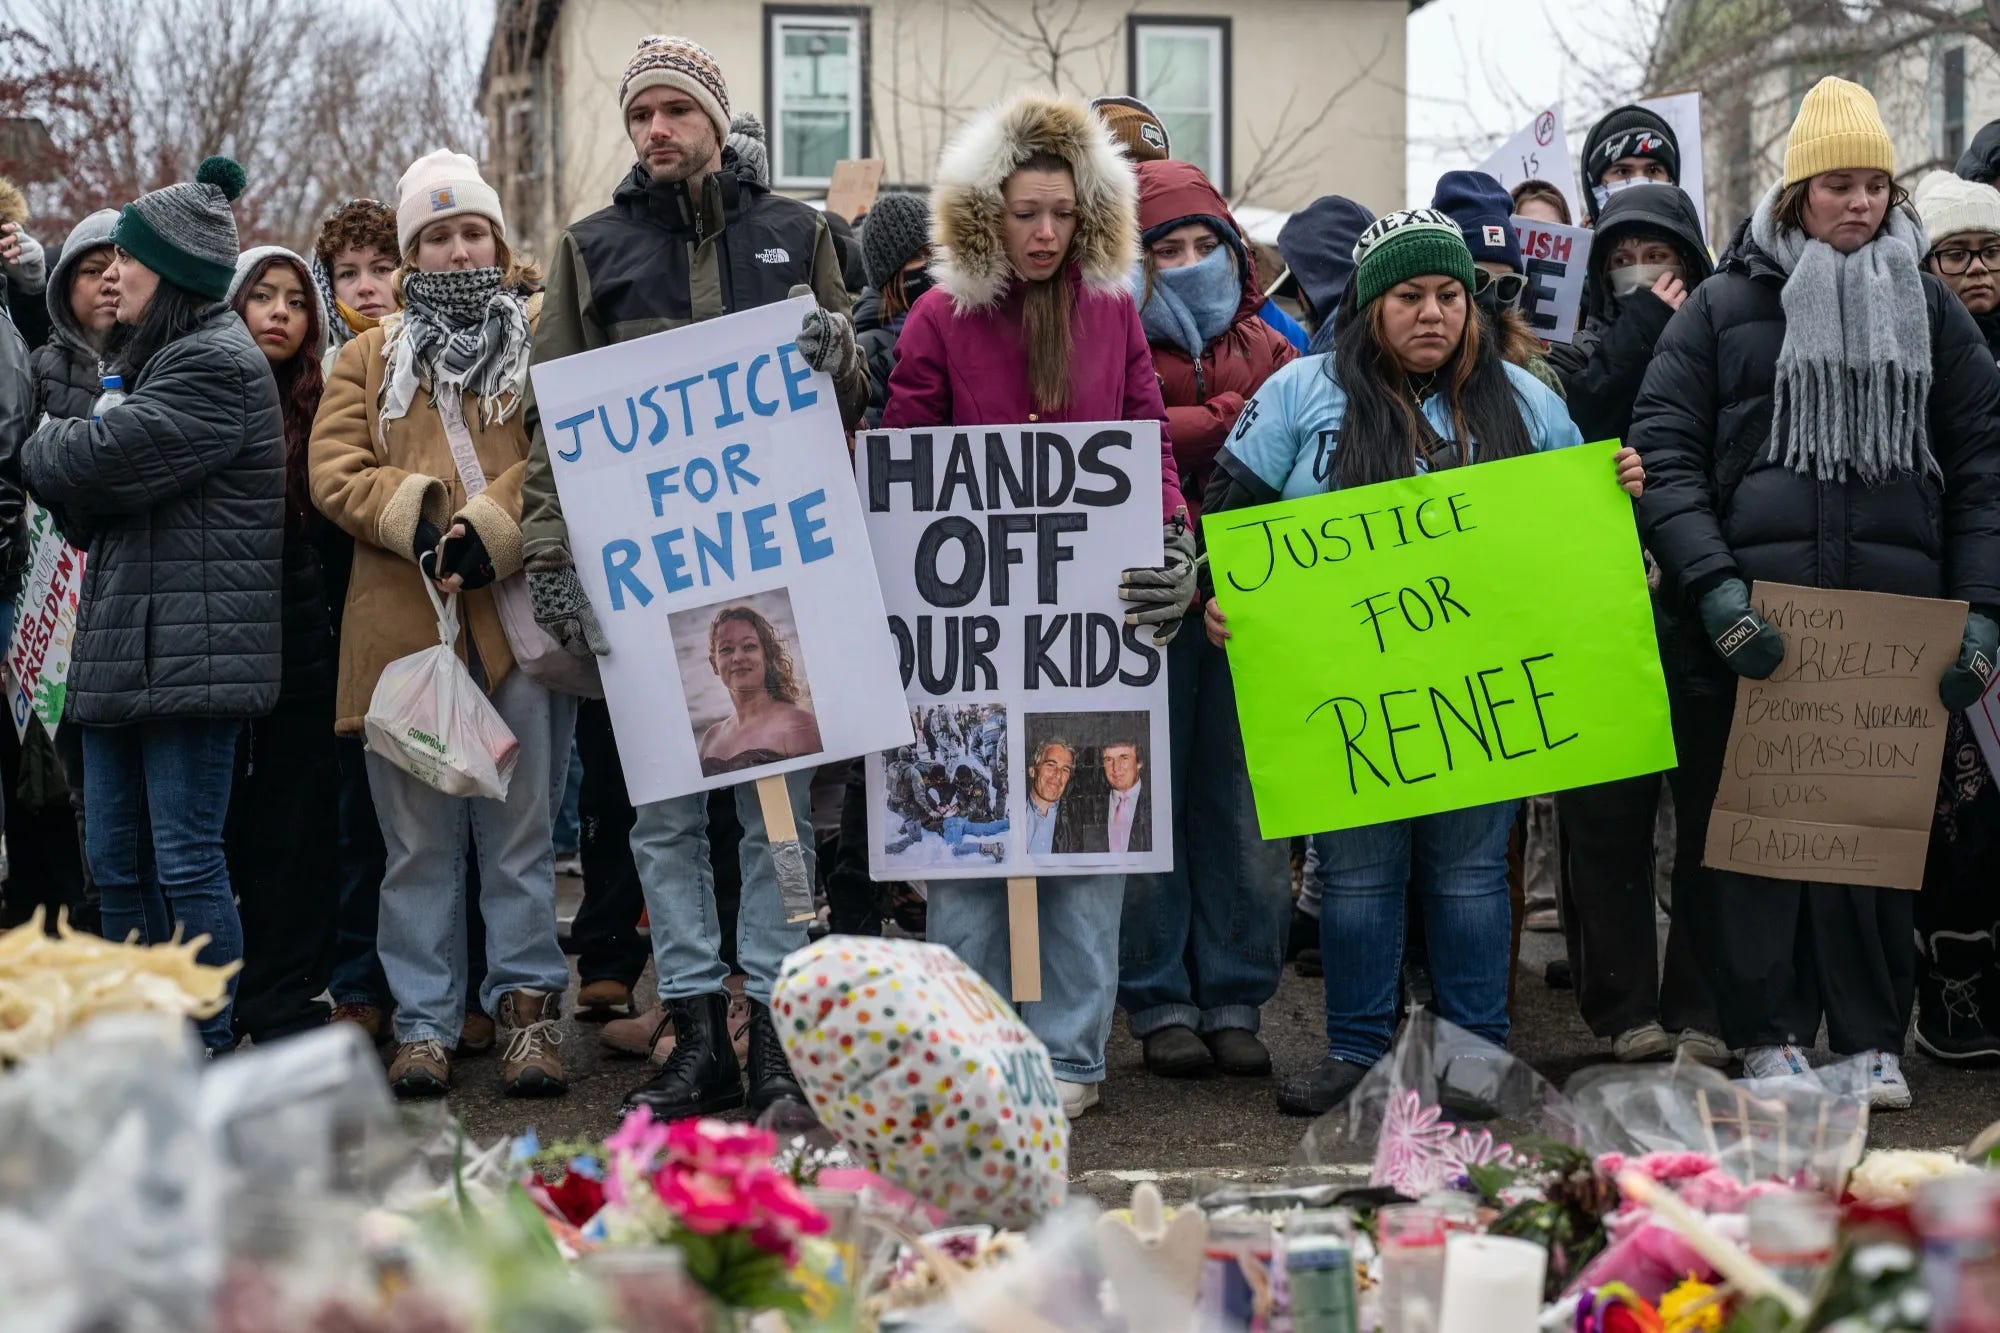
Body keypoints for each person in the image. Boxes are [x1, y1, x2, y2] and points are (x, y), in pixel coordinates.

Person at [1201, 207, 1643, 1116]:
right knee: (1358, 876)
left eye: (1450, 295)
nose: (1433, 312)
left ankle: (1477, 1056)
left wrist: (1616, 487)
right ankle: (1360, 1053)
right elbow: (1229, 511)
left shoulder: (1526, 400)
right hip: (1346, 697)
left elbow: (1578, 522)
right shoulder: (1297, 393)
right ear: (1370, 306)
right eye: (1410, 296)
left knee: (1471, 875)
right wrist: (1220, 592)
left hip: (1483, 698)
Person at [517, 35, 866, 1120]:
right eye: (639, 116)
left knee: (780, 814)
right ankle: (692, 1031)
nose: (655, 131)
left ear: (716, 118)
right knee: (662, 817)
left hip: (778, 568)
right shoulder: (590, 249)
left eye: (673, 110)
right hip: (648, 575)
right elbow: (550, 414)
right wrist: (546, 552)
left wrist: (839, 350)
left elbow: (852, 393)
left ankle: (771, 1030)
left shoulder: (798, 234)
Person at [1632, 77, 2000, 1109]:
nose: (1857, 203)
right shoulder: (1721, 306)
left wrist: (1980, 607)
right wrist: (1711, 588)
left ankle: (1870, 1039)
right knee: (1759, 846)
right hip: (1760, 623)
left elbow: (1981, 463)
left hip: (1890, 629)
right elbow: (1661, 452)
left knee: (1872, 847)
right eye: (1835, 184)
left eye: (1873, 185)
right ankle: (1769, 1038)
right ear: (1795, 194)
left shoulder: (1929, 309)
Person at [883, 88, 1195, 1119]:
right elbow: (904, 452)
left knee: (1084, 841)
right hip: (968, 634)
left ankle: (1069, 1055)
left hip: (1083, 627)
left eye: (1063, 212)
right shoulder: (938, 316)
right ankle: (966, 1050)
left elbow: (1142, 430)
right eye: (1025, 213)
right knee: (962, 848)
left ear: (1089, 212)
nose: (1046, 232)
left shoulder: (1111, 311)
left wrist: (1170, 538)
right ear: (988, 210)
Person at [310, 149, 575, 1099]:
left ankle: (528, 1013)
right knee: (416, 845)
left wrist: (490, 526)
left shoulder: (540, 341)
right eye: (435, 235)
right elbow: (333, 467)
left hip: (514, 628)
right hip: (402, 635)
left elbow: (557, 450)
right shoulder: (366, 354)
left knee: (519, 836)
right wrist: (421, 512)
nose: (456, 248)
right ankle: (423, 1020)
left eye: (471, 232)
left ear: (497, 243)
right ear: (412, 250)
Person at [20, 157, 283, 1054]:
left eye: (125, 258)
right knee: (120, 869)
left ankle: (209, 1040)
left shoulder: (216, 362)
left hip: (195, 659)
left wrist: (56, 436)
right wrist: (79, 447)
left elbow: (80, 467)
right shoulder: (149, 363)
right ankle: (140, 1043)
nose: (110, 272)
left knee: (187, 862)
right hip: (122, 649)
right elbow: (89, 505)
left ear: (169, 269)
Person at [1115, 154, 1294, 1077]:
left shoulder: (1281, 346)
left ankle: (1236, 993)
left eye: (1203, 243)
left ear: (1233, 247)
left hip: (1250, 604)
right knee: (1141, 798)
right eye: (1164, 248)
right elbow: (1103, 448)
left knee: (1244, 804)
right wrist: (1230, 415)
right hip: (1140, 602)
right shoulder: (1110, 343)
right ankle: (1157, 998)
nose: (1188, 262)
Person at [1540, 182, 1726, 1067]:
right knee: (1606, 818)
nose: (1641, 274)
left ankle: (1702, 1001)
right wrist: (1640, 330)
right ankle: (1623, 1009)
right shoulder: (1568, 351)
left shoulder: (1729, 332)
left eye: (1658, 257)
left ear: (1693, 260)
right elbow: (1570, 425)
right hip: (1596, 608)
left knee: (1708, 815)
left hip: (1694, 603)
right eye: (1620, 260)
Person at [223, 246, 343, 1045]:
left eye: (294, 301)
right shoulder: (208, 389)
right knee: (223, 833)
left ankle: (286, 989)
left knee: (297, 829)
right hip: (223, 648)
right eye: (261, 296)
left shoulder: (324, 401)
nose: (276, 312)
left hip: (306, 647)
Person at [1905, 169, 2000, 1065]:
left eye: (1990, 252)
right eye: (1957, 254)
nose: (1976, 271)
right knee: (1959, 817)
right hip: (1948, 606)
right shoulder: (1918, 355)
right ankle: (1951, 994)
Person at [307, 197, 403, 1042]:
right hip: (351, 623)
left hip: (446, 605)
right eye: (348, 273)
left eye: (383, 266)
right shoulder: (323, 366)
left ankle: (470, 990)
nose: (368, 287)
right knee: (363, 822)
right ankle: (360, 982)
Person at [1431, 170, 1566, 397]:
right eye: (1478, 278)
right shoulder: (1408, 369)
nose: (1492, 298)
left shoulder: (1533, 376)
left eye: (1507, 285)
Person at [694, 605, 823, 776]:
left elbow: (821, 797)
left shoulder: (798, 725)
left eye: (749, 646)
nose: (738, 657)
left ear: (767, 656)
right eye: (726, 649)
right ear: (714, 664)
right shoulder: (711, 739)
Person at [856, 192, 933, 428]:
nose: (934, 264)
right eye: (920, 256)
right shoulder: (870, 350)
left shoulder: (952, 330)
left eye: (938, 250)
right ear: (889, 276)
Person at [1278, 196, 1376, 354]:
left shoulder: (1341, 346)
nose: (1297, 297)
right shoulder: (1383, 326)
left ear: (1317, 273)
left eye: (1299, 279)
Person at [1581, 105, 1680, 226]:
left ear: (1671, 181)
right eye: (1623, 171)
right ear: (1595, 184)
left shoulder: (1695, 245)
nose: (1639, 184)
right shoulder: (1575, 244)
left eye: (1653, 170)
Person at [1025, 738, 1076, 855]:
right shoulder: (1011, 814)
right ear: (1032, 770)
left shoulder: (1074, 822)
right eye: (1051, 765)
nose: (1058, 775)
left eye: (1065, 769)